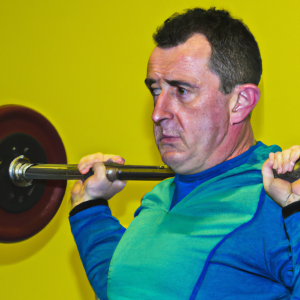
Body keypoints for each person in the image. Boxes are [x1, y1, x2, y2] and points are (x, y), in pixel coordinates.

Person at [69, 8, 300, 299]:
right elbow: (128, 287)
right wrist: (88, 209)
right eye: (156, 90)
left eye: (181, 90)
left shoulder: (274, 199)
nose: (157, 113)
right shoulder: (158, 198)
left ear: (240, 102)